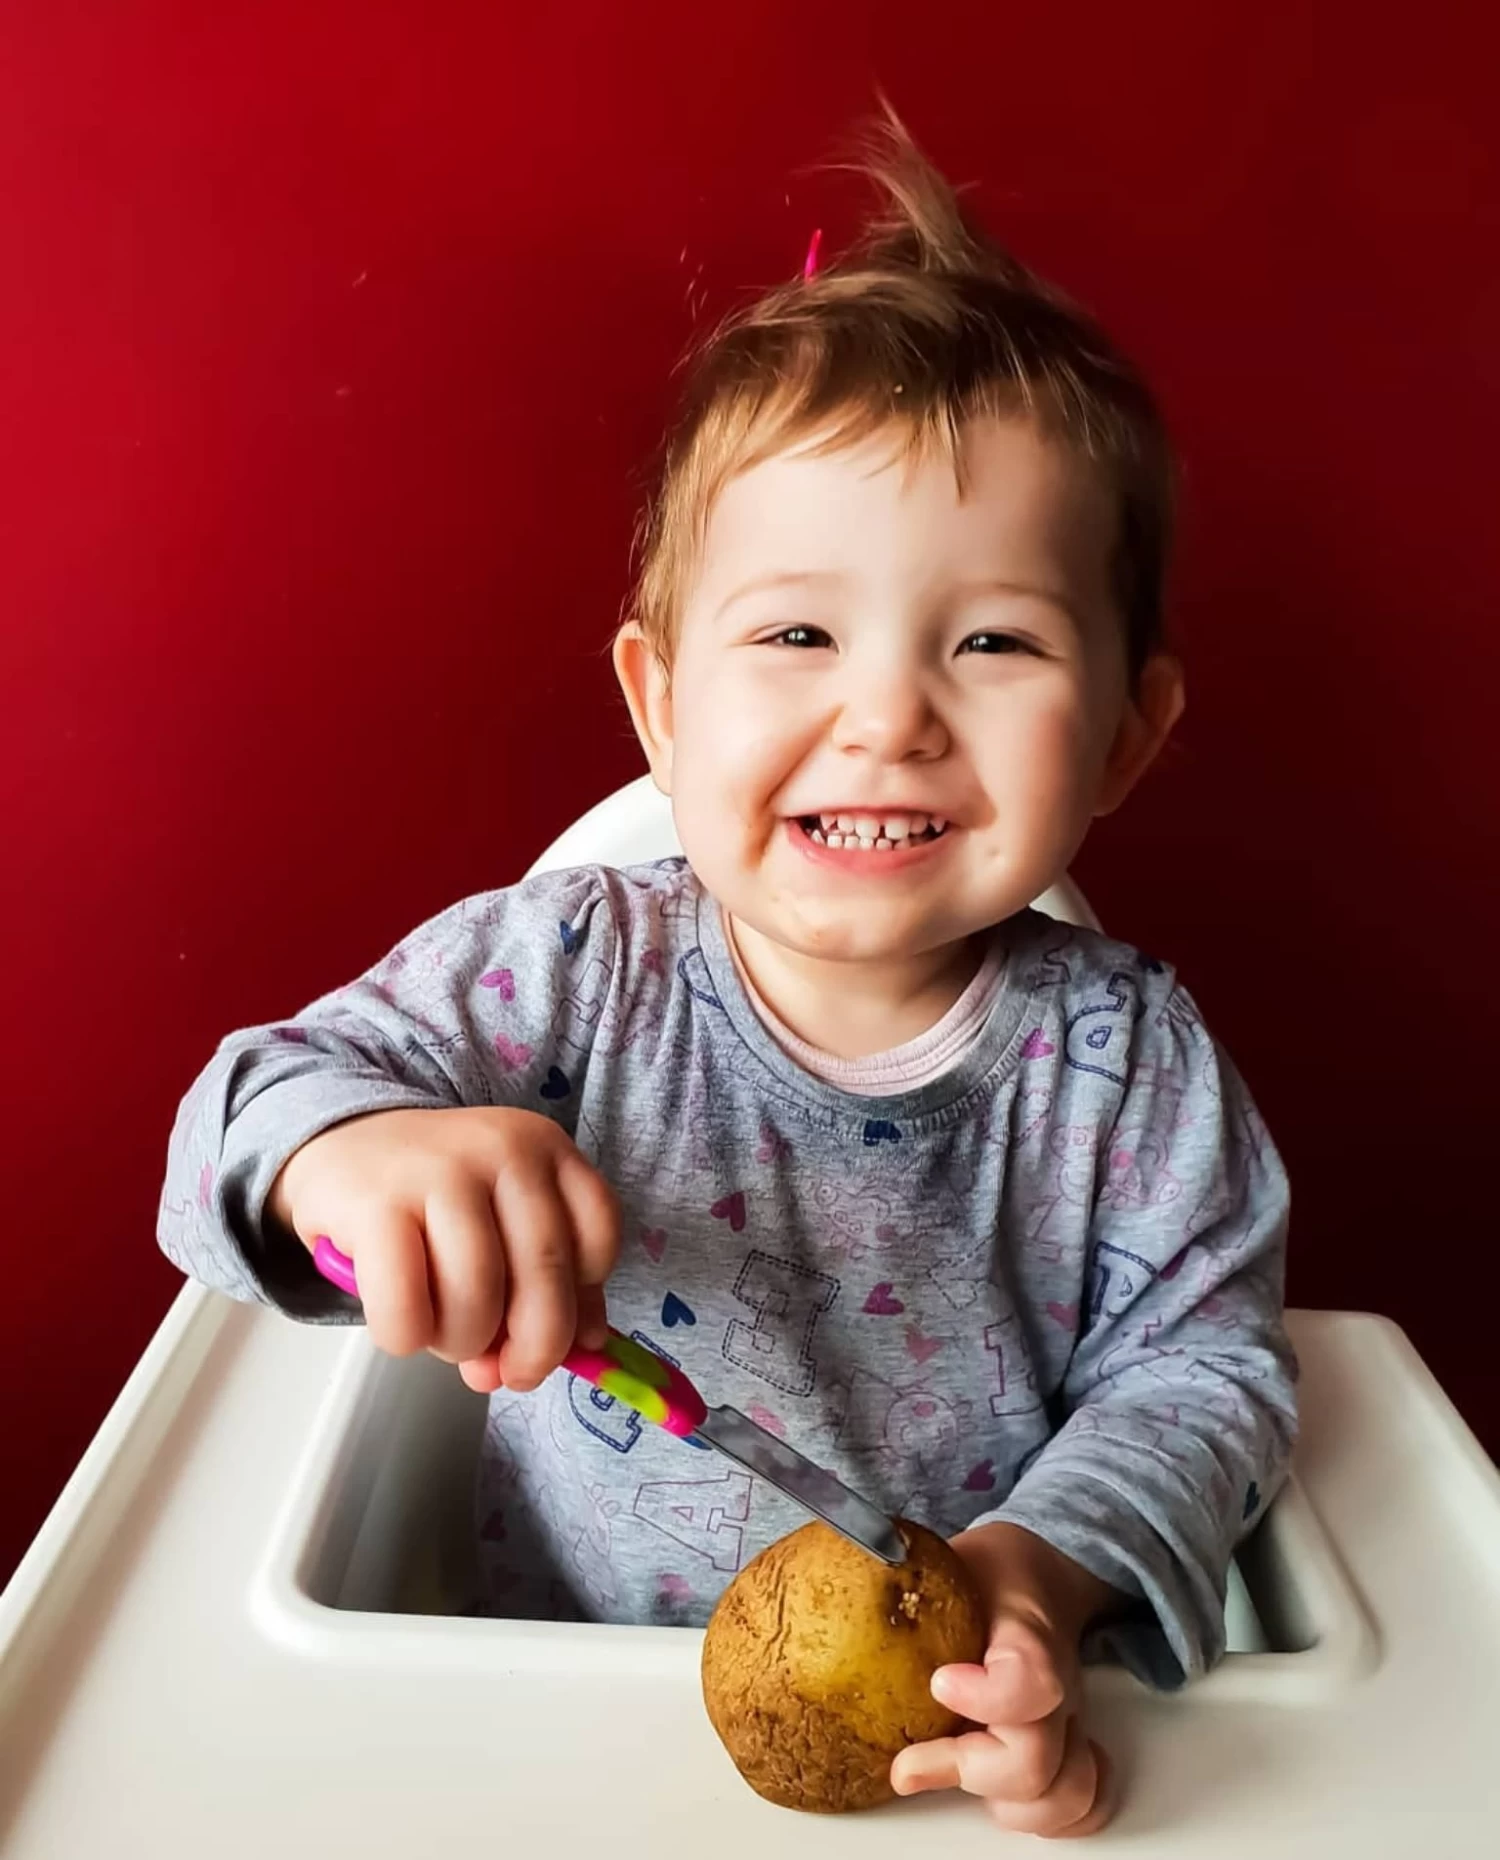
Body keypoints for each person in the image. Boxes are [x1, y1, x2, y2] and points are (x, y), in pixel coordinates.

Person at [158, 114, 1296, 1837]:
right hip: (545, 1717)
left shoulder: (1125, 1066)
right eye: (795, 635)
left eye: (993, 640)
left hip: (962, 1739)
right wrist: (348, 1153)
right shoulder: (559, 973)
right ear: (665, 703)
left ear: (1129, 734)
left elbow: (1207, 1369)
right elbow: (231, 1120)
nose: (889, 714)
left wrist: (1042, 1577)